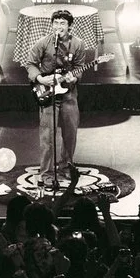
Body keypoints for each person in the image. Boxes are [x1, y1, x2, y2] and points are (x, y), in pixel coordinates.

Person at [23, 10, 94, 193]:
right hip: (49, 94)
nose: (58, 27)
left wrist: (74, 78)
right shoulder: (43, 42)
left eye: (62, 23)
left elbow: (79, 67)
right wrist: (40, 78)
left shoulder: (78, 44)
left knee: (70, 133)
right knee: (47, 136)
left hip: (69, 94)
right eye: (56, 23)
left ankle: (66, 166)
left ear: (70, 26)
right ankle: (46, 173)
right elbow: (30, 63)